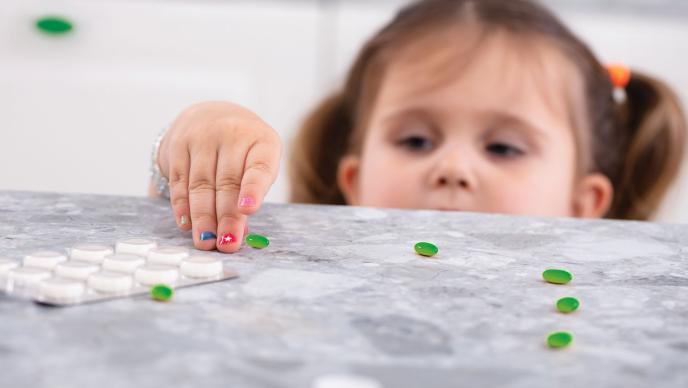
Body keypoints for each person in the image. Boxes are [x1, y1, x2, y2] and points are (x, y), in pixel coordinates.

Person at [149, 0, 687, 253]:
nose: (451, 168)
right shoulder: (315, 260)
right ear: (354, 180)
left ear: (583, 203)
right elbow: (173, 240)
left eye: (502, 147)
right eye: (415, 141)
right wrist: (191, 148)